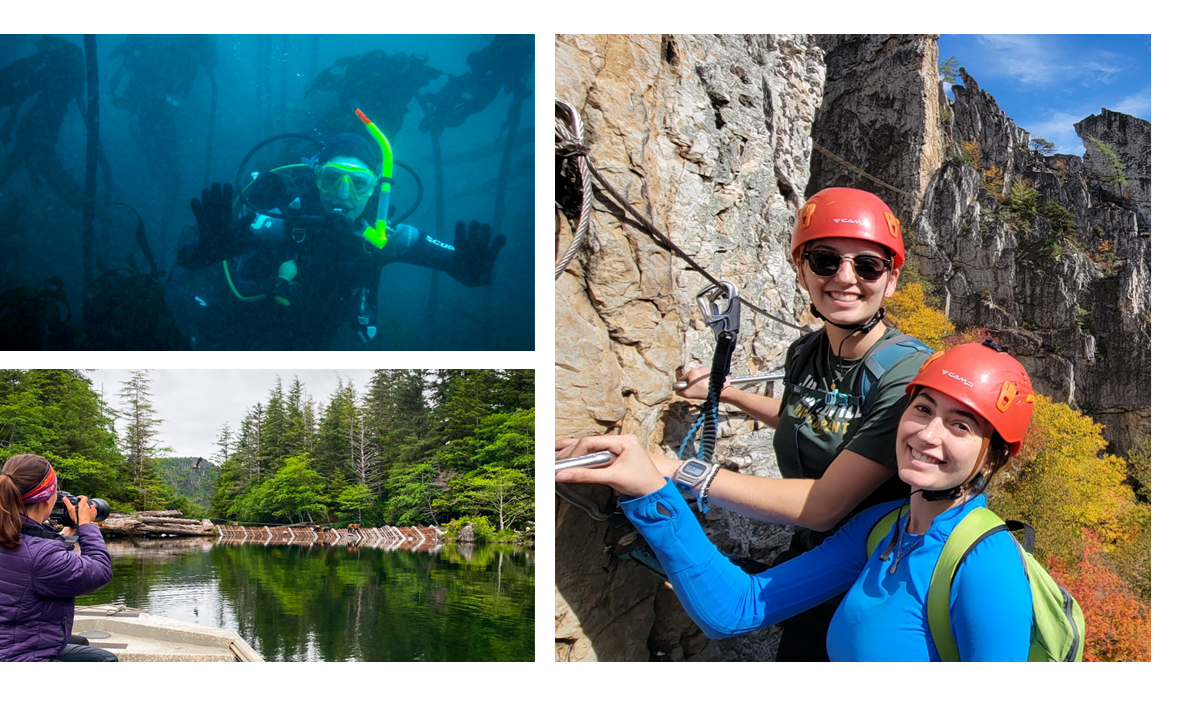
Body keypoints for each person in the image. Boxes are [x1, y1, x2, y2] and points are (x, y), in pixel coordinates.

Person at [556, 342, 1036, 660]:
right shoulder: (882, 528)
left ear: (992, 458)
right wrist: (650, 494)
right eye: (923, 409)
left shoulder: (985, 563)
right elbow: (737, 609)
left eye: (960, 426)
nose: (927, 435)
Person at [661, 187, 931, 659]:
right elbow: (802, 419)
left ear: (890, 281)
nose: (846, 278)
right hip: (813, 550)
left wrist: (677, 472)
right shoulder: (806, 353)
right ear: (802, 270)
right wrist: (727, 393)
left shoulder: (907, 374)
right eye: (826, 260)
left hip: (875, 574)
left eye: (867, 266)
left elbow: (824, 506)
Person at [174, 124, 506, 349]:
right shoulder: (283, 223)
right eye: (332, 178)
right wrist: (209, 246)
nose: (342, 193)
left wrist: (473, 270)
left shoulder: (383, 238)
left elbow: (462, 265)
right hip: (242, 330)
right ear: (316, 178)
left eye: (357, 182)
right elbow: (189, 259)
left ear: (375, 188)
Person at [0, 454, 116, 662]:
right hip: (13, 657)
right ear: (47, 499)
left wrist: (66, 535)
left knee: (78, 643)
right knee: (105, 660)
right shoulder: (40, 555)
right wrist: (87, 526)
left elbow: (32, 559)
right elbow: (99, 571)